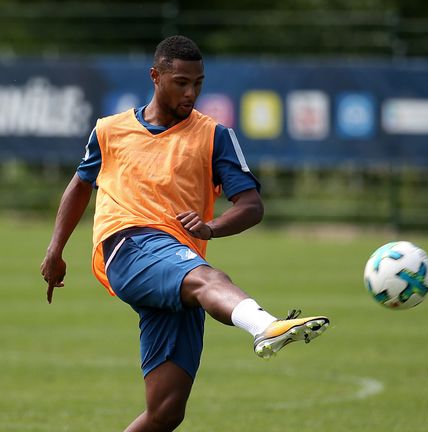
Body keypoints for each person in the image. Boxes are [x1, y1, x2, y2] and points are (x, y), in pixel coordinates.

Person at [40, 35, 330, 432]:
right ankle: (265, 326)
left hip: (179, 262)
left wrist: (211, 228)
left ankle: (256, 323)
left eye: (198, 83)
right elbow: (79, 184)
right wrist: (55, 250)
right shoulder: (109, 131)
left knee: (165, 412)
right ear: (155, 76)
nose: (191, 92)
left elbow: (251, 206)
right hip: (127, 246)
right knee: (210, 279)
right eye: (181, 82)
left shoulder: (215, 136)